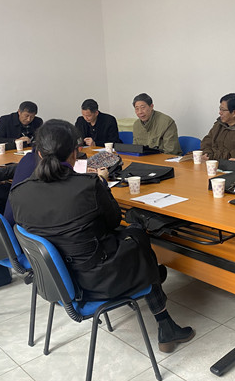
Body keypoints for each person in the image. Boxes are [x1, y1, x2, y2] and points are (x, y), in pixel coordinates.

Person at [10, 119, 194, 353]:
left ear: (38, 153)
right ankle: (164, 319)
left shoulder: (19, 192)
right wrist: (102, 185)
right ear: (75, 153)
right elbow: (113, 221)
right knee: (137, 235)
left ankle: (153, 277)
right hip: (96, 282)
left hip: (55, 281)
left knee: (127, 241)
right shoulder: (86, 185)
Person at [200, 93, 235, 160]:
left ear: (234, 113)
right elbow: (207, 141)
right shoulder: (219, 124)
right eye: (220, 109)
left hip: (232, 165)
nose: (220, 113)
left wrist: (212, 157)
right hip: (212, 162)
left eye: (223, 110)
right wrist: (207, 154)